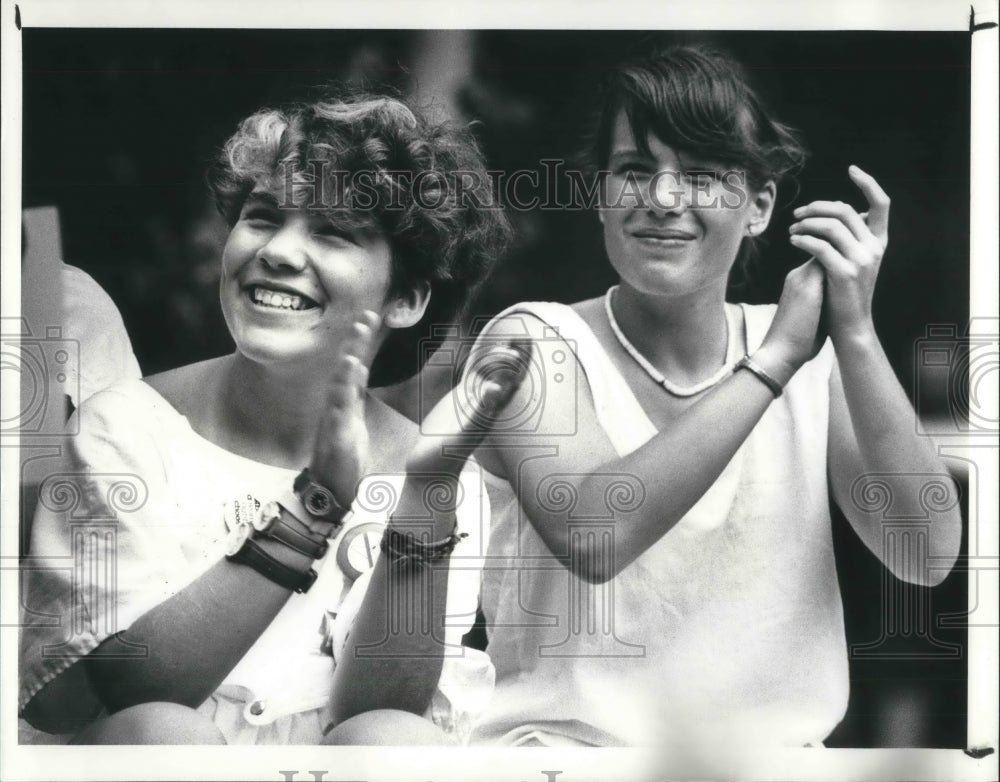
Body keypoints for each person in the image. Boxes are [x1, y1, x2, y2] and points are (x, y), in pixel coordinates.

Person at [339, 44, 963, 753]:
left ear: (759, 205)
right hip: (567, 760)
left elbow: (927, 554)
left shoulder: (810, 358)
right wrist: (774, 362)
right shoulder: (534, 342)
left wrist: (854, 332)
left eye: (700, 175)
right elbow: (596, 534)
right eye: (636, 171)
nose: (664, 199)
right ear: (602, 195)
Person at [18, 90, 521, 745]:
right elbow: (125, 695)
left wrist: (426, 497)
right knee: (171, 734)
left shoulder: (435, 473)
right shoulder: (126, 428)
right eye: (263, 216)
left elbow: (380, 709)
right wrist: (314, 509)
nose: (280, 251)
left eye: (334, 231)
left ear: (405, 297)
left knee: (398, 741)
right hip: (160, 755)